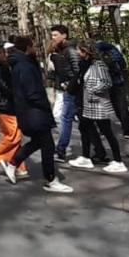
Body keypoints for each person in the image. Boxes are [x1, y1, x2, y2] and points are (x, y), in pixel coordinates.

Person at [3, 36, 72, 194]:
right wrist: (43, 105)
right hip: (34, 111)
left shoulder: (20, 63)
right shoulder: (25, 66)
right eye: (33, 46)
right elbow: (32, 91)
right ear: (27, 47)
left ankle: (13, 162)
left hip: (29, 111)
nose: (36, 49)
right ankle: (50, 179)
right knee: (47, 145)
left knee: (38, 142)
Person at [70, 42, 127, 173]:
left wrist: (92, 89)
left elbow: (107, 82)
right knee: (84, 129)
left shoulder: (98, 65)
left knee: (107, 132)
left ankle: (118, 161)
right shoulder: (84, 65)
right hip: (88, 104)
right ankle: (85, 157)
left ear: (85, 51)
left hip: (98, 103)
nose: (77, 53)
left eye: (79, 50)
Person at [0, 44, 27, 179]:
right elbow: (5, 88)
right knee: (15, 135)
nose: (6, 55)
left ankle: (20, 166)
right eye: (4, 53)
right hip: (3, 105)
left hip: (2, 105)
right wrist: (19, 95)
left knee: (10, 135)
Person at [48, 24, 81, 162]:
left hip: (72, 89)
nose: (53, 37)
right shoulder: (59, 51)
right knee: (84, 122)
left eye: (55, 35)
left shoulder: (70, 50)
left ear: (64, 35)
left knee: (66, 118)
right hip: (67, 88)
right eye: (52, 35)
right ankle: (99, 151)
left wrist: (69, 84)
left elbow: (77, 70)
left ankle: (61, 150)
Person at [95, 40, 129, 138]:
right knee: (121, 107)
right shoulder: (113, 50)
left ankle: (103, 130)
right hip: (117, 82)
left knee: (103, 107)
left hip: (103, 84)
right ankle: (128, 131)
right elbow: (123, 65)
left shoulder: (96, 51)